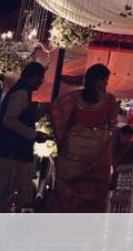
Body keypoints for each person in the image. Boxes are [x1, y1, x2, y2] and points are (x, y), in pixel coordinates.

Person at [46, 63, 118, 212]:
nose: (106, 84)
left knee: (67, 192)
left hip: (72, 152)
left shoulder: (73, 97)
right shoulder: (110, 100)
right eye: (106, 81)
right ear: (100, 81)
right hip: (98, 153)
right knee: (94, 194)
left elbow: (55, 113)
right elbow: (112, 124)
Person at [0, 61, 48, 212]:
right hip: (10, 157)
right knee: (0, 201)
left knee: (1, 202)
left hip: (9, 156)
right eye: (41, 78)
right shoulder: (21, 93)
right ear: (33, 76)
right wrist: (33, 134)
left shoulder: (18, 91)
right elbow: (10, 120)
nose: (41, 82)